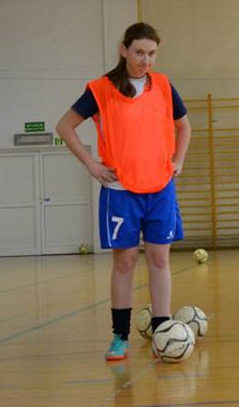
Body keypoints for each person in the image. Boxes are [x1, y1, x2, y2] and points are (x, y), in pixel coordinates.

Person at [55, 22, 191, 360]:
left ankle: (162, 329)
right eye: (140, 52)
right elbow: (65, 126)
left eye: (152, 53)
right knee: (126, 260)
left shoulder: (163, 85)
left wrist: (178, 160)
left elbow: (184, 126)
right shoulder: (101, 89)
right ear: (124, 50)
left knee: (159, 258)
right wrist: (91, 164)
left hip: (160, 188)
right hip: (120, 190)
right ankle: (120, 336)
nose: (146, 60)